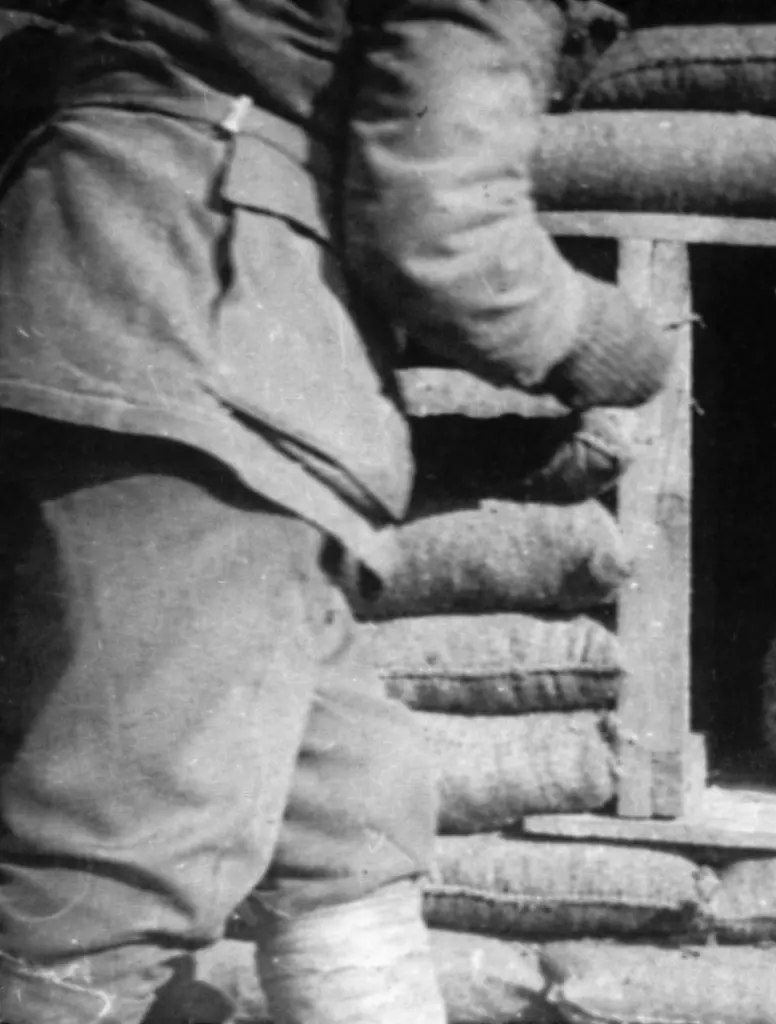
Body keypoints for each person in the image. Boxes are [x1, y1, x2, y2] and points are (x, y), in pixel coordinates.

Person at [0, 0, 677, 1019]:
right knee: (110, 881)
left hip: (106, 313)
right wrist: (607, 337)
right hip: (199, 358)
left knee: (345, 807)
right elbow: (443, 231)